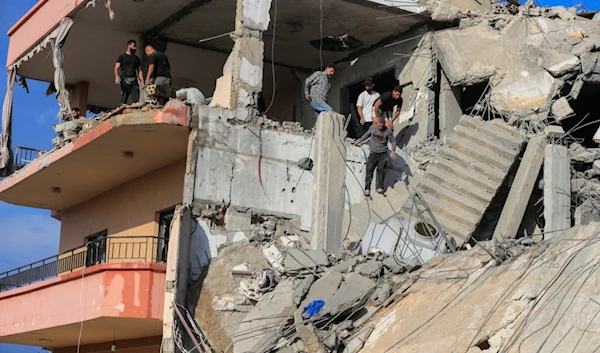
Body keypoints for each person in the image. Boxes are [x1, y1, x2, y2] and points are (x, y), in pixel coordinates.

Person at [354, 114, 397, 196]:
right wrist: (358, 141)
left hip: (383, 154)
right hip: (373, 153)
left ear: (384, 124)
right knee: (369, 170)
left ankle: (380, 187)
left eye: (382, 126)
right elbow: (366, 135)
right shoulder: (373, 128)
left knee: (381, 170)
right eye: (379, 126)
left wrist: (393, 150)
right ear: (377, 123)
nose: (380, 128)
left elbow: (393, 141)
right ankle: (367, 188)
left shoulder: (388, 131)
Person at [114, 39, 143, 105]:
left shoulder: (136, 59)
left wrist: (142, 82)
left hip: (134, 80)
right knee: (123, 99)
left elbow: (139, 70)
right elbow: (116, 67)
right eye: (134, 46)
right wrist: (117, 76)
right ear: (129, 45)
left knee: (136, 100)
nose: (135, 48)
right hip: (124, 80)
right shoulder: (122, 57)